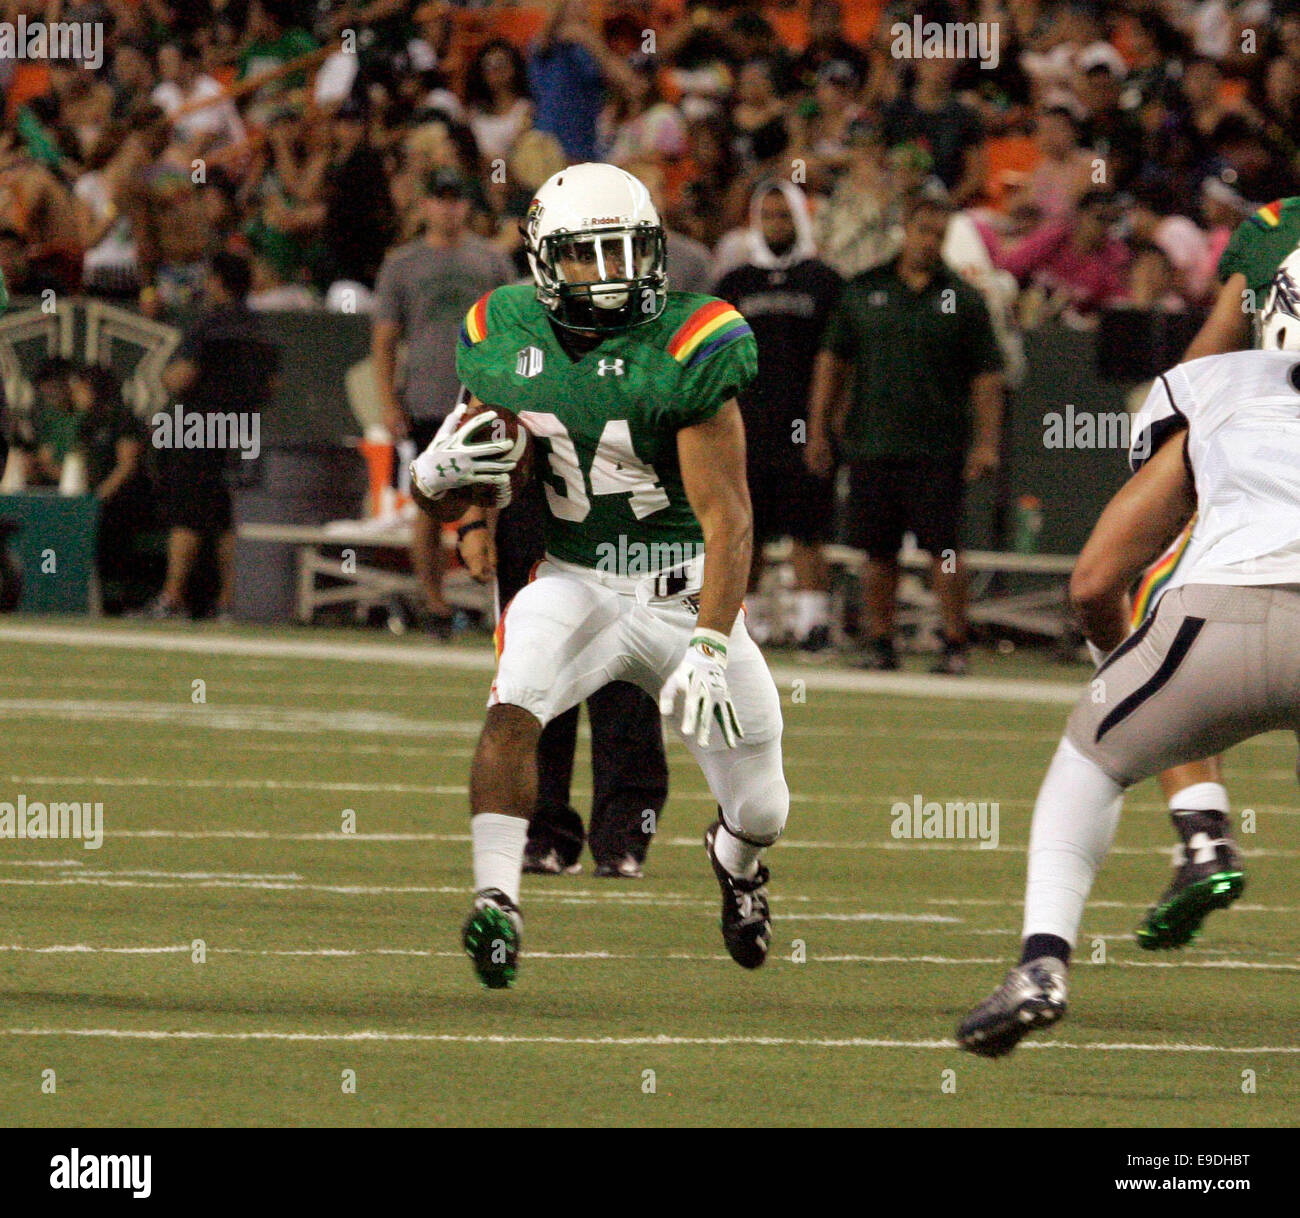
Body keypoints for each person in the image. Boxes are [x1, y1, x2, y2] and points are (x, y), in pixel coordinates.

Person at [409, 163, 790, 989]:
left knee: (764, 806)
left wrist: (714, 644)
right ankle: (496, 903)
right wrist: (442, 494)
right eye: (589, 255)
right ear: (545, 262)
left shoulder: (693, 343)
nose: (613, 274)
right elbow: (486, 475)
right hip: (576, 577)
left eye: (628, 252)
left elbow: (731, 520)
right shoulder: (501, 330)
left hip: (684, 589)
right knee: (514, 701)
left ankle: (737, 863)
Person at [957, 256, 1300, 1057]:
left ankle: (1041, 965)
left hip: (1227, 620)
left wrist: (1124, 669)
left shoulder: (1223, 384)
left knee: (1091, 761)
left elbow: (1093, 581)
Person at [807, 196, 1006, 674]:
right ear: (904, 230)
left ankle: (955, 642)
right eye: (922, 231)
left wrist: (986, 442)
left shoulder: (962, 297)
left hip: (939, 446)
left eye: (938, 234)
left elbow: (987, 376)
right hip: (873, 441)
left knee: (945, 550)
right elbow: (833, 362)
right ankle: (880, 641)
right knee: (877, 551)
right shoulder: (862, 290)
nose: (928, 242)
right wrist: (817, 429)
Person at [371, 168, 514, 633]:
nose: (449, 209)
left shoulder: (491, 261)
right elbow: (385, 339)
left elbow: (513, 327)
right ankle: (433, 605)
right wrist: (388, 402)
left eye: (456, 200)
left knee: (491, 502)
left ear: (467, 206)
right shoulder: (402, 263)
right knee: (430, 506)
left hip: (485, 399)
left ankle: (494, 603)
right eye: (440, 199)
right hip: (427, 401)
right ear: (425, 204)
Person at [713, 180, 842, 649]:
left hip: (807, 425)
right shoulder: (734, 284)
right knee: (748, 529)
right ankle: (752, 624)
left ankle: (813, 623)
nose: (776, 226)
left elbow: (841, 361)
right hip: (745, 426)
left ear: (799, 219)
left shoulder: (825, 282)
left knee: (808, 528)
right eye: (767, 216)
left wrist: (826, 425)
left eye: (784, 216)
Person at [145, 252, 279, 620]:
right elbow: (271, 386)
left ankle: (172, 597)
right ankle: (227, 602)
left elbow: (180, 378)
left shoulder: (207, 327)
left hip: (198, 430)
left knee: (187, 515)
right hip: (241, 431)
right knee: (225, 520)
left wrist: (167, 377)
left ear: (218, 281)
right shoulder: (261, 329)